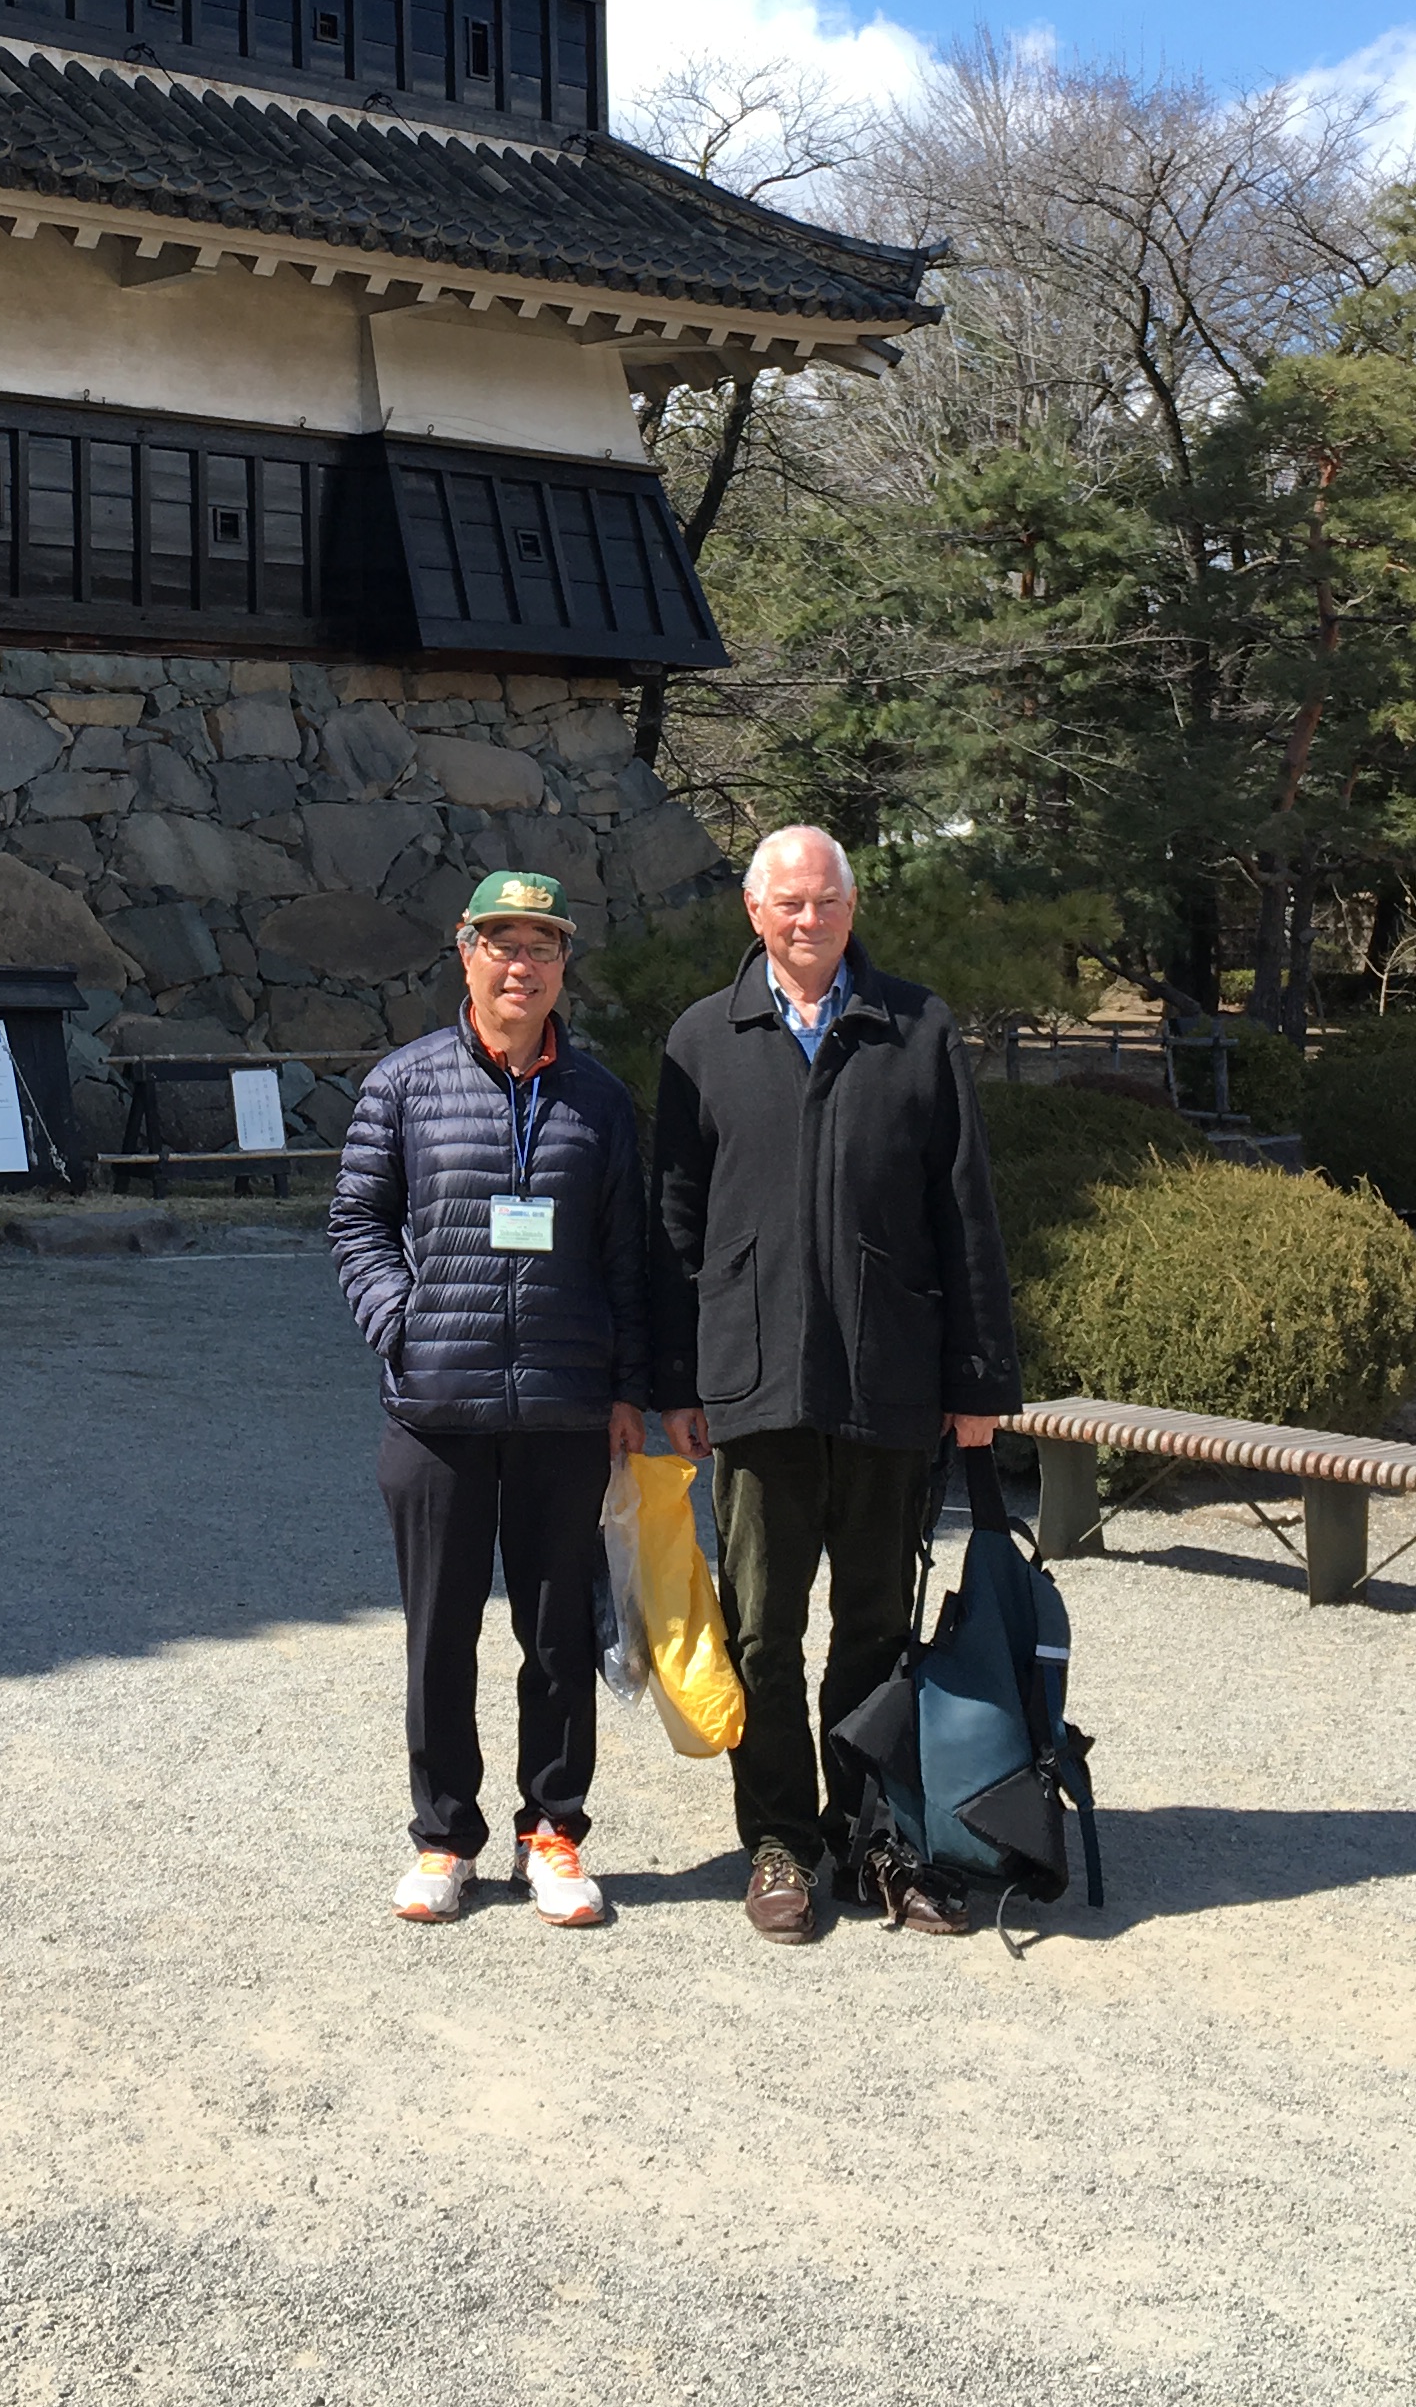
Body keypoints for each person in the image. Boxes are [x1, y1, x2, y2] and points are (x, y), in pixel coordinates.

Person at [648, 826, 1021, 1946]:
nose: (807, 920)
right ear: (754, 914)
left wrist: (978, 1378)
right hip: (754, 1381)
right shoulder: (703, 1039)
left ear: (852, 910)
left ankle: (871, 1836)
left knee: (875, 1627)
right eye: (788, 903)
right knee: (761, 1634)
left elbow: (964, 1209)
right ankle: (779, 1841)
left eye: (825, 901)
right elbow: (673, 1222)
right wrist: (676, 1379)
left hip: (886, 1379)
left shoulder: (918, 1027)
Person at [328, 868, 701, 1931]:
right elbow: (356, 1221)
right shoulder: (404, 1084)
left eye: (542, 947)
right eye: (503, 944)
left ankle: (554, 1831)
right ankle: (444, 1837)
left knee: (558, 1635)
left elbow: (626, 1255)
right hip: (434, 1409)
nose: (521, 966)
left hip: (565, 1408)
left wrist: (629, 1389)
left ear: (562, 965)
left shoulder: (599, 1100)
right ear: (467, 952)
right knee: (439, 1635)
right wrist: (401, 1324)